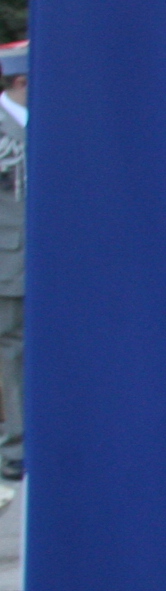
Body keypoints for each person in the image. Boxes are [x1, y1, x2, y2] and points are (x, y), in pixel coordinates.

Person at [0, 43, 25, 481]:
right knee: (11, 351)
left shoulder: (54, 120)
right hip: (9, 263)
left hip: (56, 264)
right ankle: (16, 447)